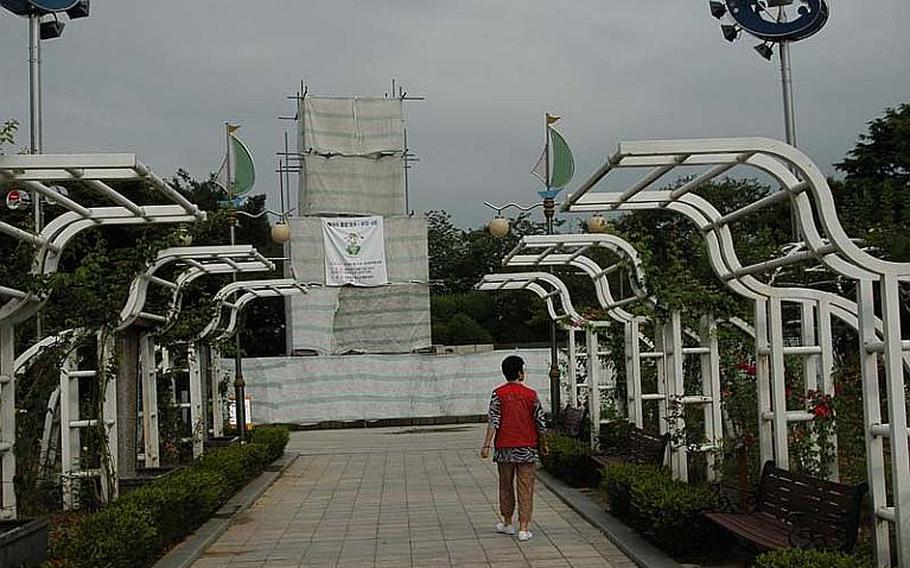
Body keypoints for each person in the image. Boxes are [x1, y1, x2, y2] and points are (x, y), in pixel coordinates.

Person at [480, 355, 548, 542]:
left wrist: (486, 445)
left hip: (504, 448)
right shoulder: (531, 395)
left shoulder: (498, 394)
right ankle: (524, 528)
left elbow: (494, 420)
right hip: (527, 447)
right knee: (525, 487)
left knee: (505, 485)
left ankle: (508, 523)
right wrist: (544, 443)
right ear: (519, 372)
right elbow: (540, 422)